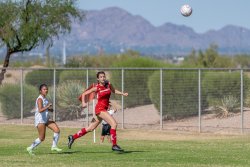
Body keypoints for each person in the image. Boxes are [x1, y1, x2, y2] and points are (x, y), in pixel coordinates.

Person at [68, 71, 128, 152]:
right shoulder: (97, 87)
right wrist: (83, 102)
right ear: (98, 79)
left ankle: (73, 137)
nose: (103, 78)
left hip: (102, 110)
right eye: (101, 77)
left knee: (91, 128)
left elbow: (114, 91)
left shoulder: (108, 84)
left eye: (104, 76)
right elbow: (84, 94)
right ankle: (114, 145)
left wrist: (122, 93)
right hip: (100, 109)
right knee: (114, 124)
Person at [26, 84, 62, 155]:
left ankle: (54, 146)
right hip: (40, 120)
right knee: (42, 138)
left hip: (46, 119)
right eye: (44, 89)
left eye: (47, 89)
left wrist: (50, 109)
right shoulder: (40, 99)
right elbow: (40, 110)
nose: (46, 90)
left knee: (57, 130)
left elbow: (45, 109)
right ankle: (30, 148)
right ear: (40, 91)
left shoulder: (45, 98)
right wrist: (47, 106)